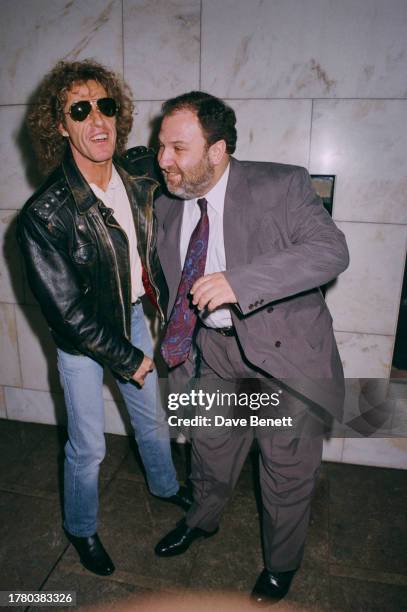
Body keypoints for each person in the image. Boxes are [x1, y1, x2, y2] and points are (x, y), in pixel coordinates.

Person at [152, 91, 349, 604]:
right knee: (209, 452)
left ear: (217, 151)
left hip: (286, 355)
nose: (163, 160)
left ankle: (281, 564)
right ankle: (202, 522)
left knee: (285, 469)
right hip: (216, 352)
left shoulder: (280, 184)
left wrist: (241, 281)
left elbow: (331, 251)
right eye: (160, 147)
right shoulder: (167, 205)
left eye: (177, 148)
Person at [17, 60, 191, 577]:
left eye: (106, 105)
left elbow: (190, 169)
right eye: (80, 109)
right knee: (88, 446)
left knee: (152, 421)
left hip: (133, 316)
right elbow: (67, 314)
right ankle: (81, 528)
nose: (98, 119)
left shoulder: (138, 171)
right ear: (60, 125)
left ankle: (165, 487)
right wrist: (129, 358)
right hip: (83, 341)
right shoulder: (45, 215)